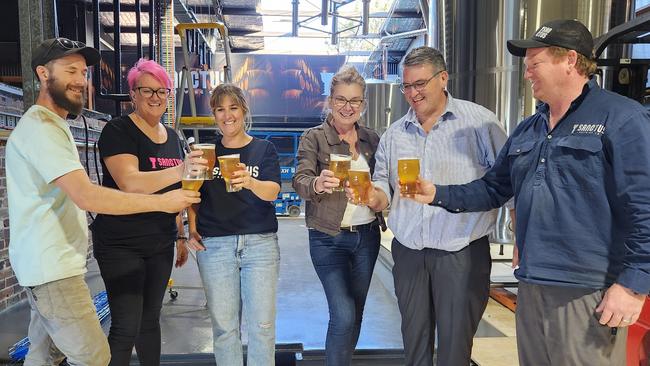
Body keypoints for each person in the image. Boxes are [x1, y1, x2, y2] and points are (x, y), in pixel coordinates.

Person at [413, 19, 650, 365]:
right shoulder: (529, 129)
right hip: (533, 282)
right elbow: (494, 188)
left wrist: (633, 285)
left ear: (569, 60)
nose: (527, 74)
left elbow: (644, 205)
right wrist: (437, 193)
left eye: (534, 64)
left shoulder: (621, 118)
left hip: (588, 289)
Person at [6, 38, 200, 366]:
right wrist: (164, 201)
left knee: (43, 355)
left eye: (83, 72)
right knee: (96, 356)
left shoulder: (55, 126)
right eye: (70, 71)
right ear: (42, 73)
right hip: (57, 268)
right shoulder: (45, 129)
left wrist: (179, 228)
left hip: (59, 264)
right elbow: (90, 194)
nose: (81, 80)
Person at [364, 46, 508, 365]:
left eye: (420, 84)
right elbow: (384, 186)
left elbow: (507, 180)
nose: (413, 93)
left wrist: (519, 228)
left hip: (461, 252)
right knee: (414, 344)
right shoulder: (394, 134)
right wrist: (373, 197)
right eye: (407, 86)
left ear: (442, 78)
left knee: (455, 350)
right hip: (409, 252)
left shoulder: (480, 123)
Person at [90, 58, 205, 366]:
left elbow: (176, 191)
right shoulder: (118, 131)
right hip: (120, 243)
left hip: (159, 242)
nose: (156, 97)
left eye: (163, 91)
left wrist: (179, 233)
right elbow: (130, 183)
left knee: (150, 321)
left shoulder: (172, 136)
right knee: (127, 326)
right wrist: (182, 168)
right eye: (147, 90)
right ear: (133, 94)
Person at [292, 65, 383, 366]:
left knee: (355, 313)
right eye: (341, 99)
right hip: (327, 237)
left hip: (367, 238)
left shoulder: (372, 139)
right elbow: (300, 180)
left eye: (355, 100)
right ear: (330, 101)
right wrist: (317, 183)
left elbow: (385, 184)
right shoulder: (314, 138)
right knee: (343, 313)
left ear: (363, 104)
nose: (347, 107)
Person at [187, 84, 281, 366]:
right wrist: (190, 229)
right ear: (214, 115)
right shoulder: (205, 152)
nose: (227, 115)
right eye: (220, 109)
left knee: (262, 328)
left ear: (244, 111)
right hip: (215, 246)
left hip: (260, 245)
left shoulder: (263, 149)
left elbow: (273, 192)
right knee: (225, 329)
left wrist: (250, 181)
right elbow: (193, 196)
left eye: (233, 108)